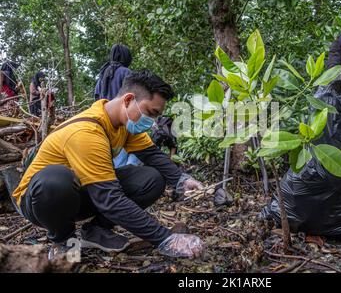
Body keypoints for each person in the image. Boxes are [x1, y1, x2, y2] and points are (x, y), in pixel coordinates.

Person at [13, 70, 204, 260]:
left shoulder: (123, 124)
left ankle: (96, 230)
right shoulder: (86, 132)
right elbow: (110, 199)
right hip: (42, 201)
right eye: (151, 113)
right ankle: (63, 240)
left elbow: (152, 154)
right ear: (128, 100)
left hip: (81, 193)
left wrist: (182, 179)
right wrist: (165, 238)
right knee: (55, 180)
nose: (152, 122)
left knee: (152, 179)